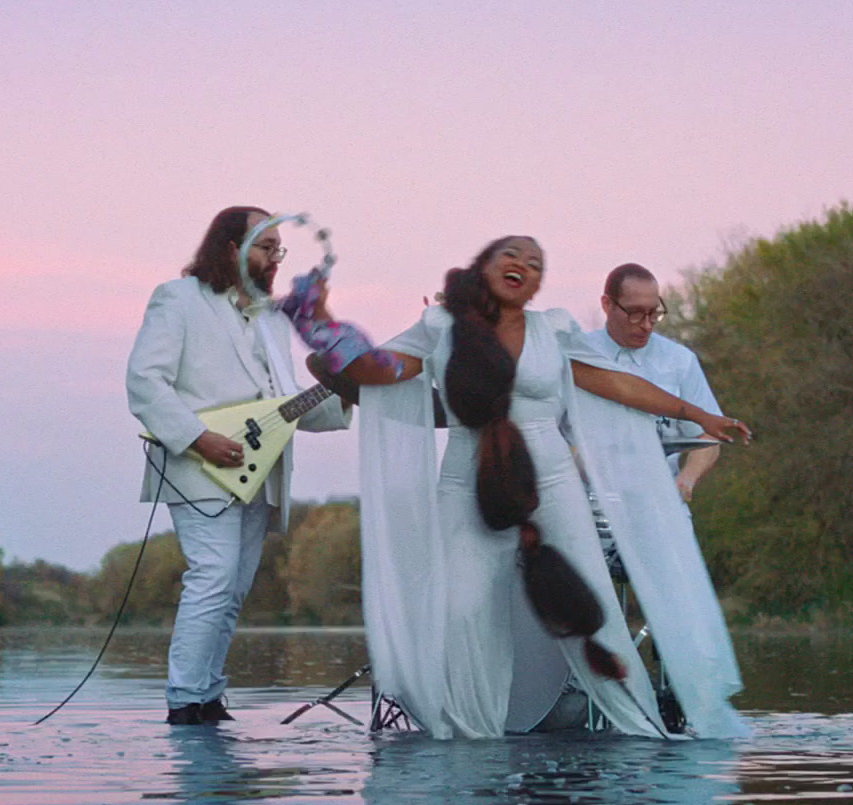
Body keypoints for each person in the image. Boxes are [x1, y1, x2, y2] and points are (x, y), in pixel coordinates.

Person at [283, 236, 750, 740]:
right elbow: (379, 369)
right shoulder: (440, 328)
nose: (523, 265)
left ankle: (640, 731)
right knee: (463, 610)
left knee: (593, 608)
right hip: (467, 481)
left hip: (550, 478)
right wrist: (318, 324)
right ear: (482, 268)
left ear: (536, 284)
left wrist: (697, 414)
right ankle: (470, 736)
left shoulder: (555, 330)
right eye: (511, 256)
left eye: (534, 263)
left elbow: (617, 384)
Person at [126, 206, 353, 725]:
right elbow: (145, 382)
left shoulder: (272, 319)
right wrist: (199, 439)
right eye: (265, 247)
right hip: (197, 464)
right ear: (230, 247)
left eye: (279, 249)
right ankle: (184, 702)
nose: (275, 259)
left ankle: (207, 696)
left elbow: (284, 403)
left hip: (261, 469)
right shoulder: (178, 298)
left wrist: (351, 385)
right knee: (213, 576)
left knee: (234, 588)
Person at [584, 263, 724, 504]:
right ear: (607, 305)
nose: (647, 324)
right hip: (588, 506)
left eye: (654, 313)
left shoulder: (679, 360)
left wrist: (687, 478)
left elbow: (709, 435)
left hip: (662, 504)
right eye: (635, 313)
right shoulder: (577, 355)